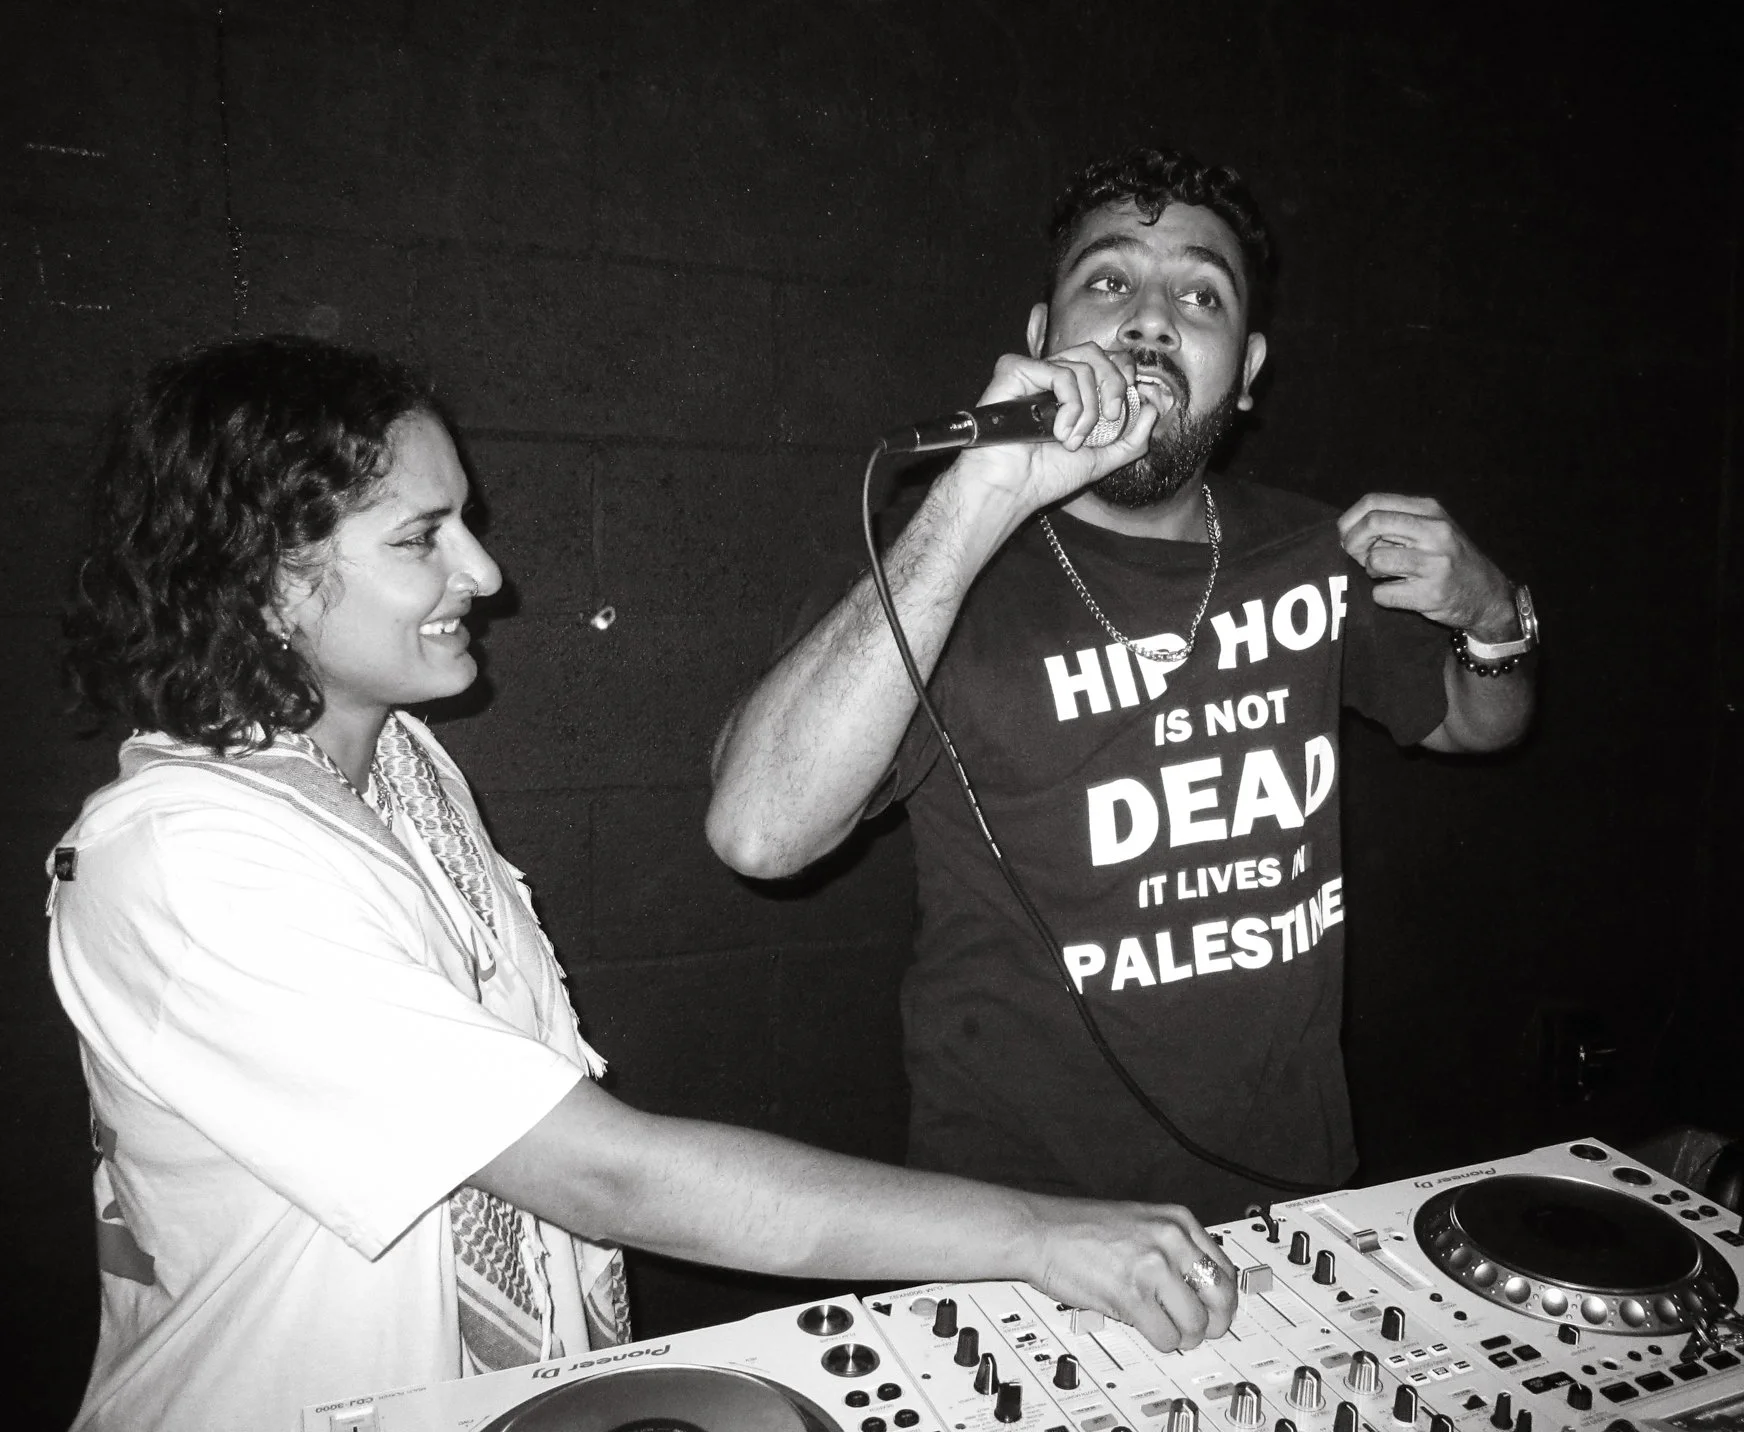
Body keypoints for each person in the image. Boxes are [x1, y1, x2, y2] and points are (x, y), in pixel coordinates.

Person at [47, 336, 1234, 1432]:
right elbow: (600, 1174)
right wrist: (1036, 1235)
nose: (483, 571)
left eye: (464, 524)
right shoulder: (186, 861)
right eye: (420, 538)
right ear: (263, 576)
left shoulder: (397, 765)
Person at [706, 148, 1537, 1224]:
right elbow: (758, 833)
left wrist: (1494, 619)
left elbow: (1479, 722)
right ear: (1042, 335)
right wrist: (977, 495)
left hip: (1293, 1207)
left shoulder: (1313, 552)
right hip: (1019, 1233)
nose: (1149, 319)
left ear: (1246, 370)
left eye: (1200, 295)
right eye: (1108, 281)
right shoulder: (942, 568)